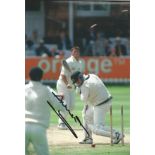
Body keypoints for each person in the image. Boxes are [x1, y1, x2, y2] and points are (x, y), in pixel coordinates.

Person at [70, 71, 124, 144]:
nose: (77, 83)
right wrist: (78, 87)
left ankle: (117, 135)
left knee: (97, 129)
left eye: (77, 82)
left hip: (101, 105)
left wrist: (77, 88)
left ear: (79, 79)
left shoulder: (85, 86)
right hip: (105, 100)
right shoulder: (91, 75)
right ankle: (88, 138)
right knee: (86, 115)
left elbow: (83, 99)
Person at [25, 67, 66, 155]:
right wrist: (62, 99)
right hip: (39, 128)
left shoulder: (24, 89)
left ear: (29, 76)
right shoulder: (47, 90)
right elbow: (61, 106)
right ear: (42, 77)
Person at [57, 46, 83, 129]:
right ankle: (61, 123)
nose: (76, 53)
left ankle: (63, 121)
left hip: (72, 86)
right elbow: (63, 75)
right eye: (74, 52)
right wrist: (67, 84)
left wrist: (79, 86)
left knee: (72, 106)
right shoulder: (68, 62)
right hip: (63, 85)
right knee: (66, 104)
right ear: (72, 53)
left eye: (77, 52)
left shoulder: (80, 63)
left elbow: (79, 76)